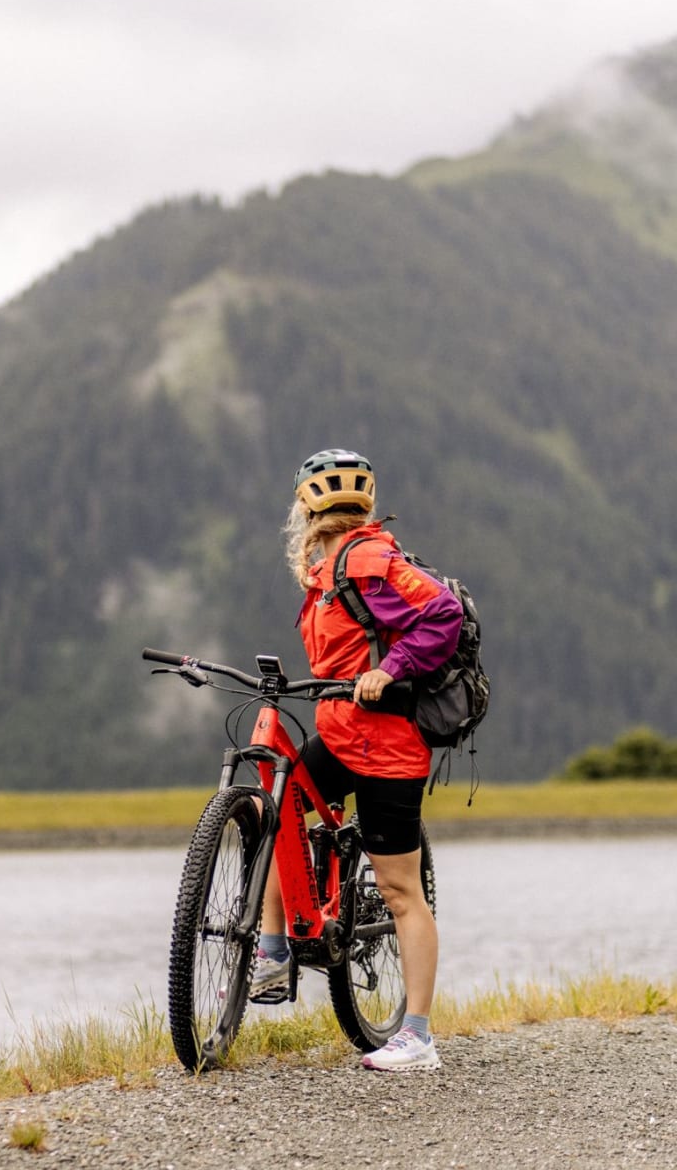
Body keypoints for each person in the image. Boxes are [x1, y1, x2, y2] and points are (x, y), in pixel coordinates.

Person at [254, 447, 463, 1072]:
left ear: (306, 509)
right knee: (276, 811)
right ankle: (272, 949)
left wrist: (391, 669)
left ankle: (417, 1036)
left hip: (389, 747)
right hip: (343, 735)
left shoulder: (367, 558)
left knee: (400, 891)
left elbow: (443, 613)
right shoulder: (326, 572)